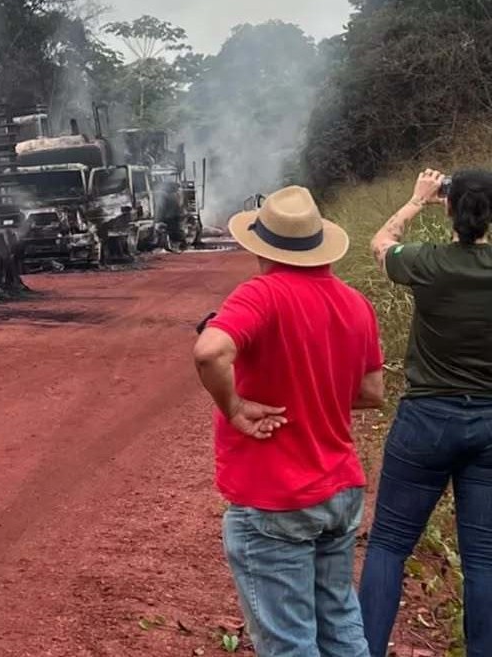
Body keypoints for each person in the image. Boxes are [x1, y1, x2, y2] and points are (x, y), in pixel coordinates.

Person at [193, 185, 385, 656]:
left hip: (276, 496)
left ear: (264, 248)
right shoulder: (354, 303)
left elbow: (210, 351)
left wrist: (235, 408)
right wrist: (315, 394)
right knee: (340, 622)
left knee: (288, 641)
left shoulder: (261, 295)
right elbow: (371, 393)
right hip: (339, 490)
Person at [360, 169, 492, 656]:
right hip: (490, 424)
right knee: (484, 560)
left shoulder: (427, 262)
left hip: (427, 419)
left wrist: (417, 201)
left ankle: (367, 649)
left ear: (450, 208)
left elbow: (380, 244)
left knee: (390, 545)